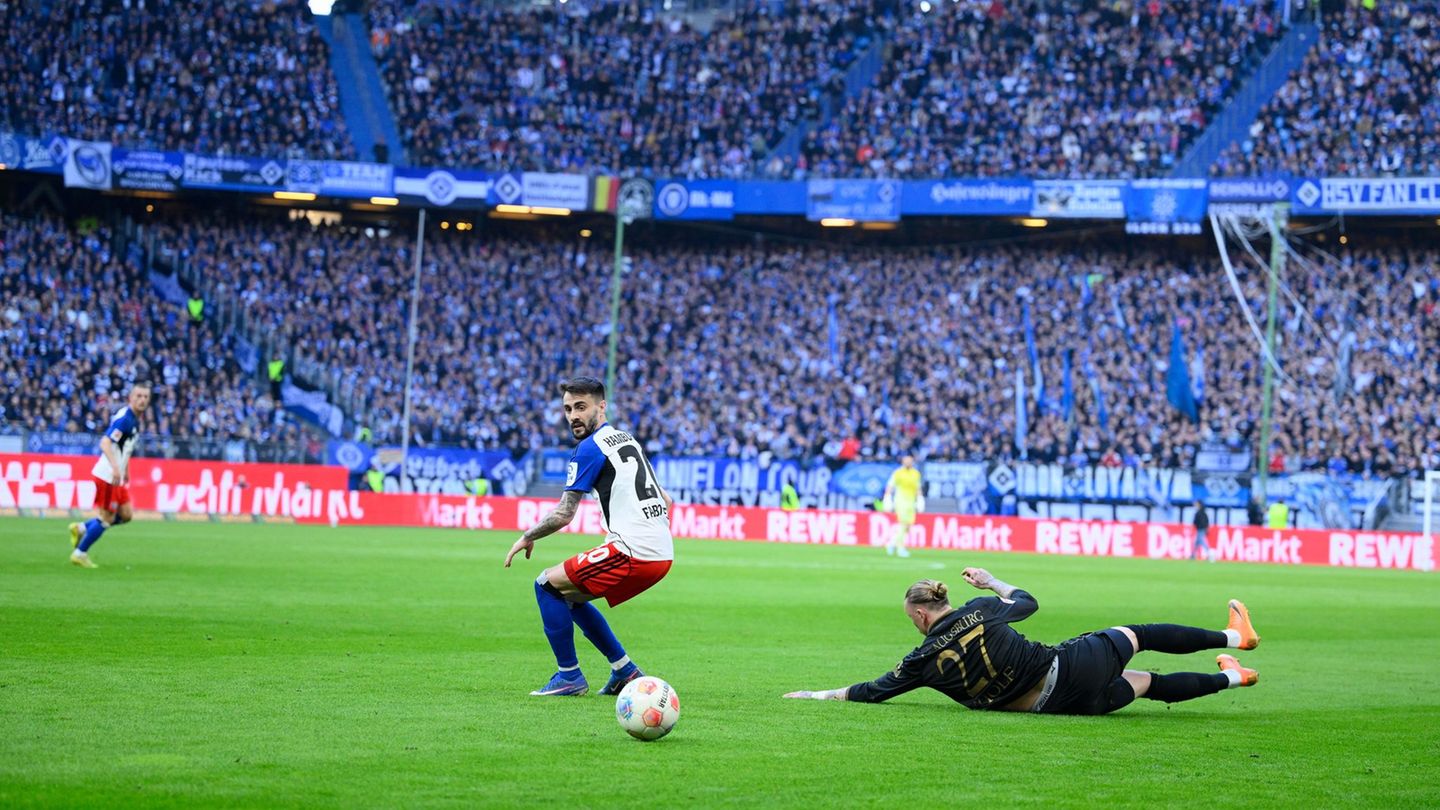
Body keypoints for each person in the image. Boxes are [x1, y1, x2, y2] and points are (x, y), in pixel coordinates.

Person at [782, 567, 1260, 715]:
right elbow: (1028, 602)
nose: (913, 624)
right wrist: (992, 582)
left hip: (1056, 706)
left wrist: (814, 694)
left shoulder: (920, 661)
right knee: (1142, 636)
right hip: (1070, 667)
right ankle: (1234, 637)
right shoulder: (982, 609)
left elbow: (872, 691)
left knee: (1147, 684)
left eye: (912, 618)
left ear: (922, 615)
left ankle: (1233, 679)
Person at [504, 377, 675, 697]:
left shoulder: (590, 448)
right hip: (662, 554)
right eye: (568, 409)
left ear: (602, 406)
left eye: (581, 407)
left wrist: (527, 536)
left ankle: (568, 676)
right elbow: (666, 501)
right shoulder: (627, 440)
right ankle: (625, 671)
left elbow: (563, 514)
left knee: (545, 585)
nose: (573, 416)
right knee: (569, 596)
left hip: (633, 552)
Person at [68, 381, 152, 568]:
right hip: (107, 476)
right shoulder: (125, 420)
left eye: (146, 397)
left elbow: (124, 447)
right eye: (139, 396)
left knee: (126, 514)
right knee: (107, 518)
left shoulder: (134, 418)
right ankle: (79, 553)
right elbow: (105, 443)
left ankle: (82, 528)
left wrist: (125, 469)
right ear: (131, 397)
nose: (142, 400)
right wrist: (115, 467)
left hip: (117, 477)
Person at [882, 455, 923, 557]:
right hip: (900, 501)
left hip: (911, 502)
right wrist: (887, 498)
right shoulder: (898, 473)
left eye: (910, 461)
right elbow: (890, 486)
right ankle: (900, 548)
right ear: (903, 461)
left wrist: (920, 500)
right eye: (906, 461)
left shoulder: (916, 474)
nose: (908, 462)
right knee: (903, 523)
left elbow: (918, 488)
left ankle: (892, 543)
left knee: (908, 526)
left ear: (912, 462)